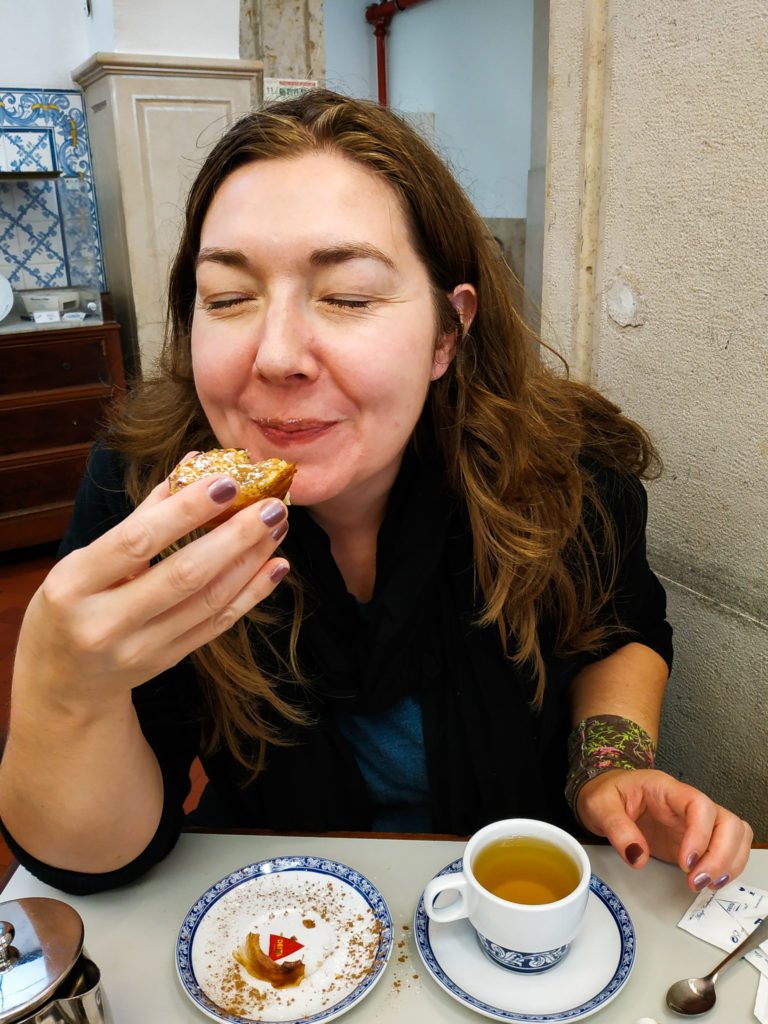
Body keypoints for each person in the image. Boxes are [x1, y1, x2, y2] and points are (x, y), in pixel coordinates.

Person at [0, 90, 752, 896]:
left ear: (446, 332)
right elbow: (97, 858)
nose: (278, 355)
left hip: (513, 905)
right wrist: (60, 690)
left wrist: (608, 768)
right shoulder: (142, 491)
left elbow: (619, 631)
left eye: (349, 297)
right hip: (275, 914)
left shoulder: (567, 472)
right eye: (227, 298)